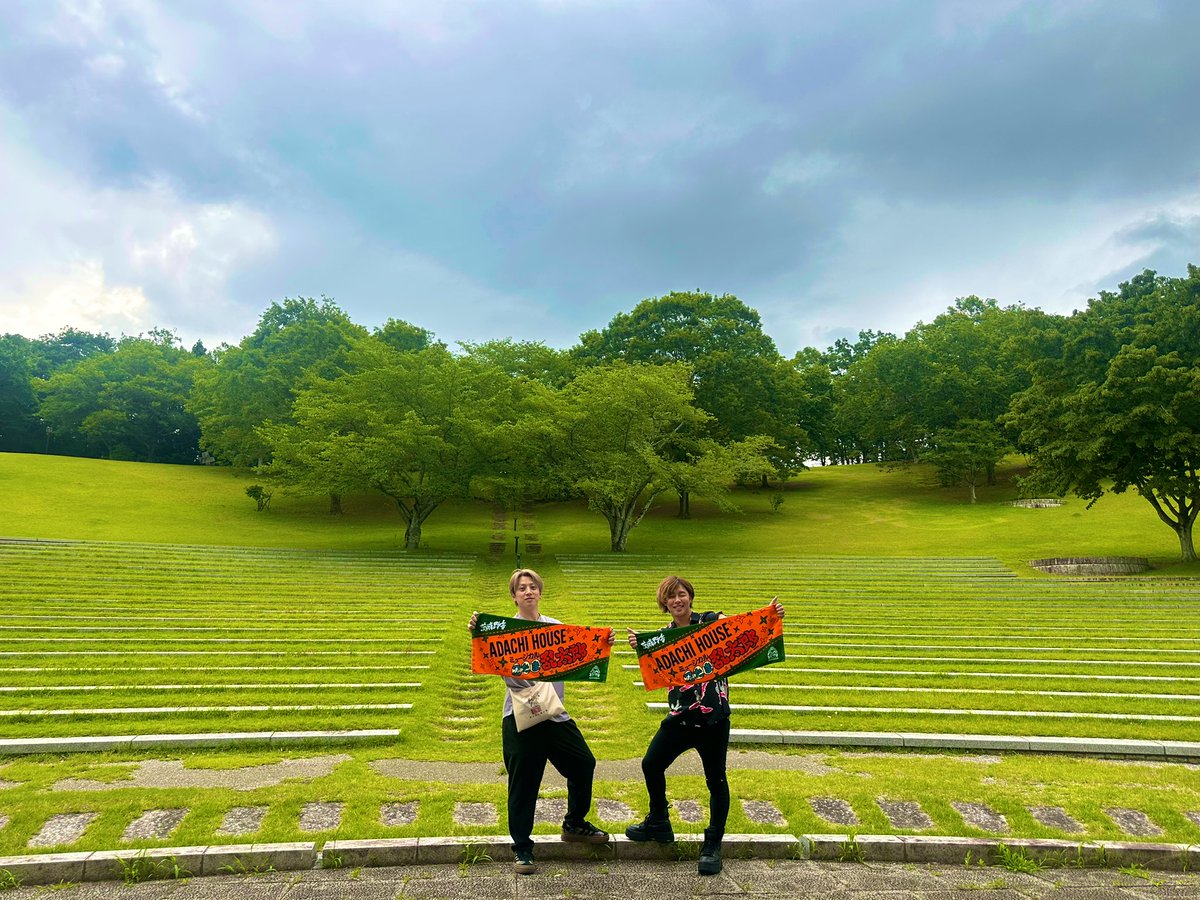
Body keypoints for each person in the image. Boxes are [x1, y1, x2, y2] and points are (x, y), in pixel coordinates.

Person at [625, 575, 785, 876]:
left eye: (682, 594)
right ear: (664, 603)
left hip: (714, 719)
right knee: (651, 764)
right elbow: (656, 671)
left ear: (690, 597)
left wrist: (767, 616)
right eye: (671, 597)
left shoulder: (709, 621)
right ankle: (659, 820)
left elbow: (737, 625)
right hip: (680, 718)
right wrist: (641, 647)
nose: (677, 601)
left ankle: (712, 844)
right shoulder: (663, 636)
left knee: (716, 780)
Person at [468, 568, 613, 875]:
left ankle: (574, 822)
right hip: (519, 714)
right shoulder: (503, 630)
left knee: (584, 763)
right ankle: (522, 847)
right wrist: (478, 632)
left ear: (540, 592)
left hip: (555, 713)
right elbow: (489, 655)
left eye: (533, 586)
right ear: (514, 596)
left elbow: (583, 650)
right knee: (524, 783)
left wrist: (603, 642)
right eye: (522, 588)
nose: (529, 591)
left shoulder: (556, 628)